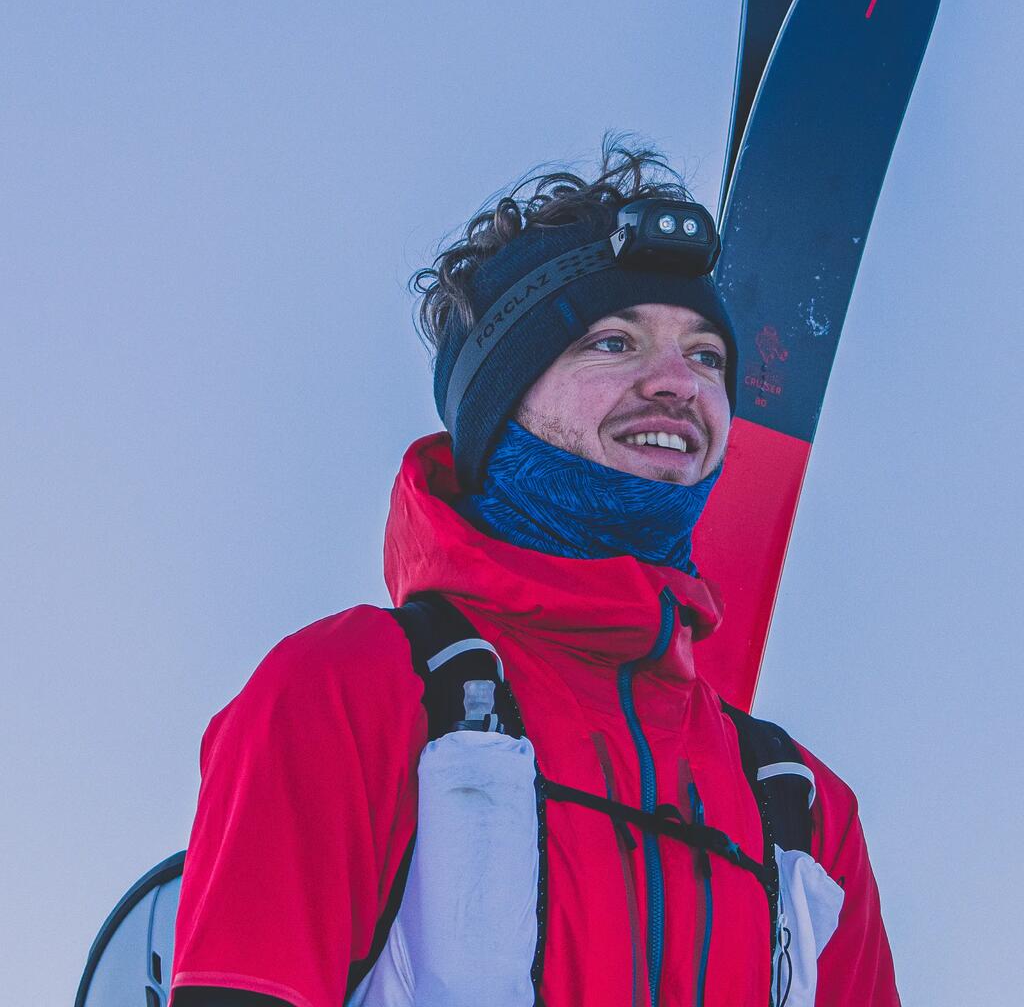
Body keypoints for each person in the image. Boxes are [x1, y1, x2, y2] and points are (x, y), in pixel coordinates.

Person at [170, 140, 900, 1007]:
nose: (677, 384)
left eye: (706, 356)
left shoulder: (804, 813)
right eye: (614, 341)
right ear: (500, 400)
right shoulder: (349, 687)